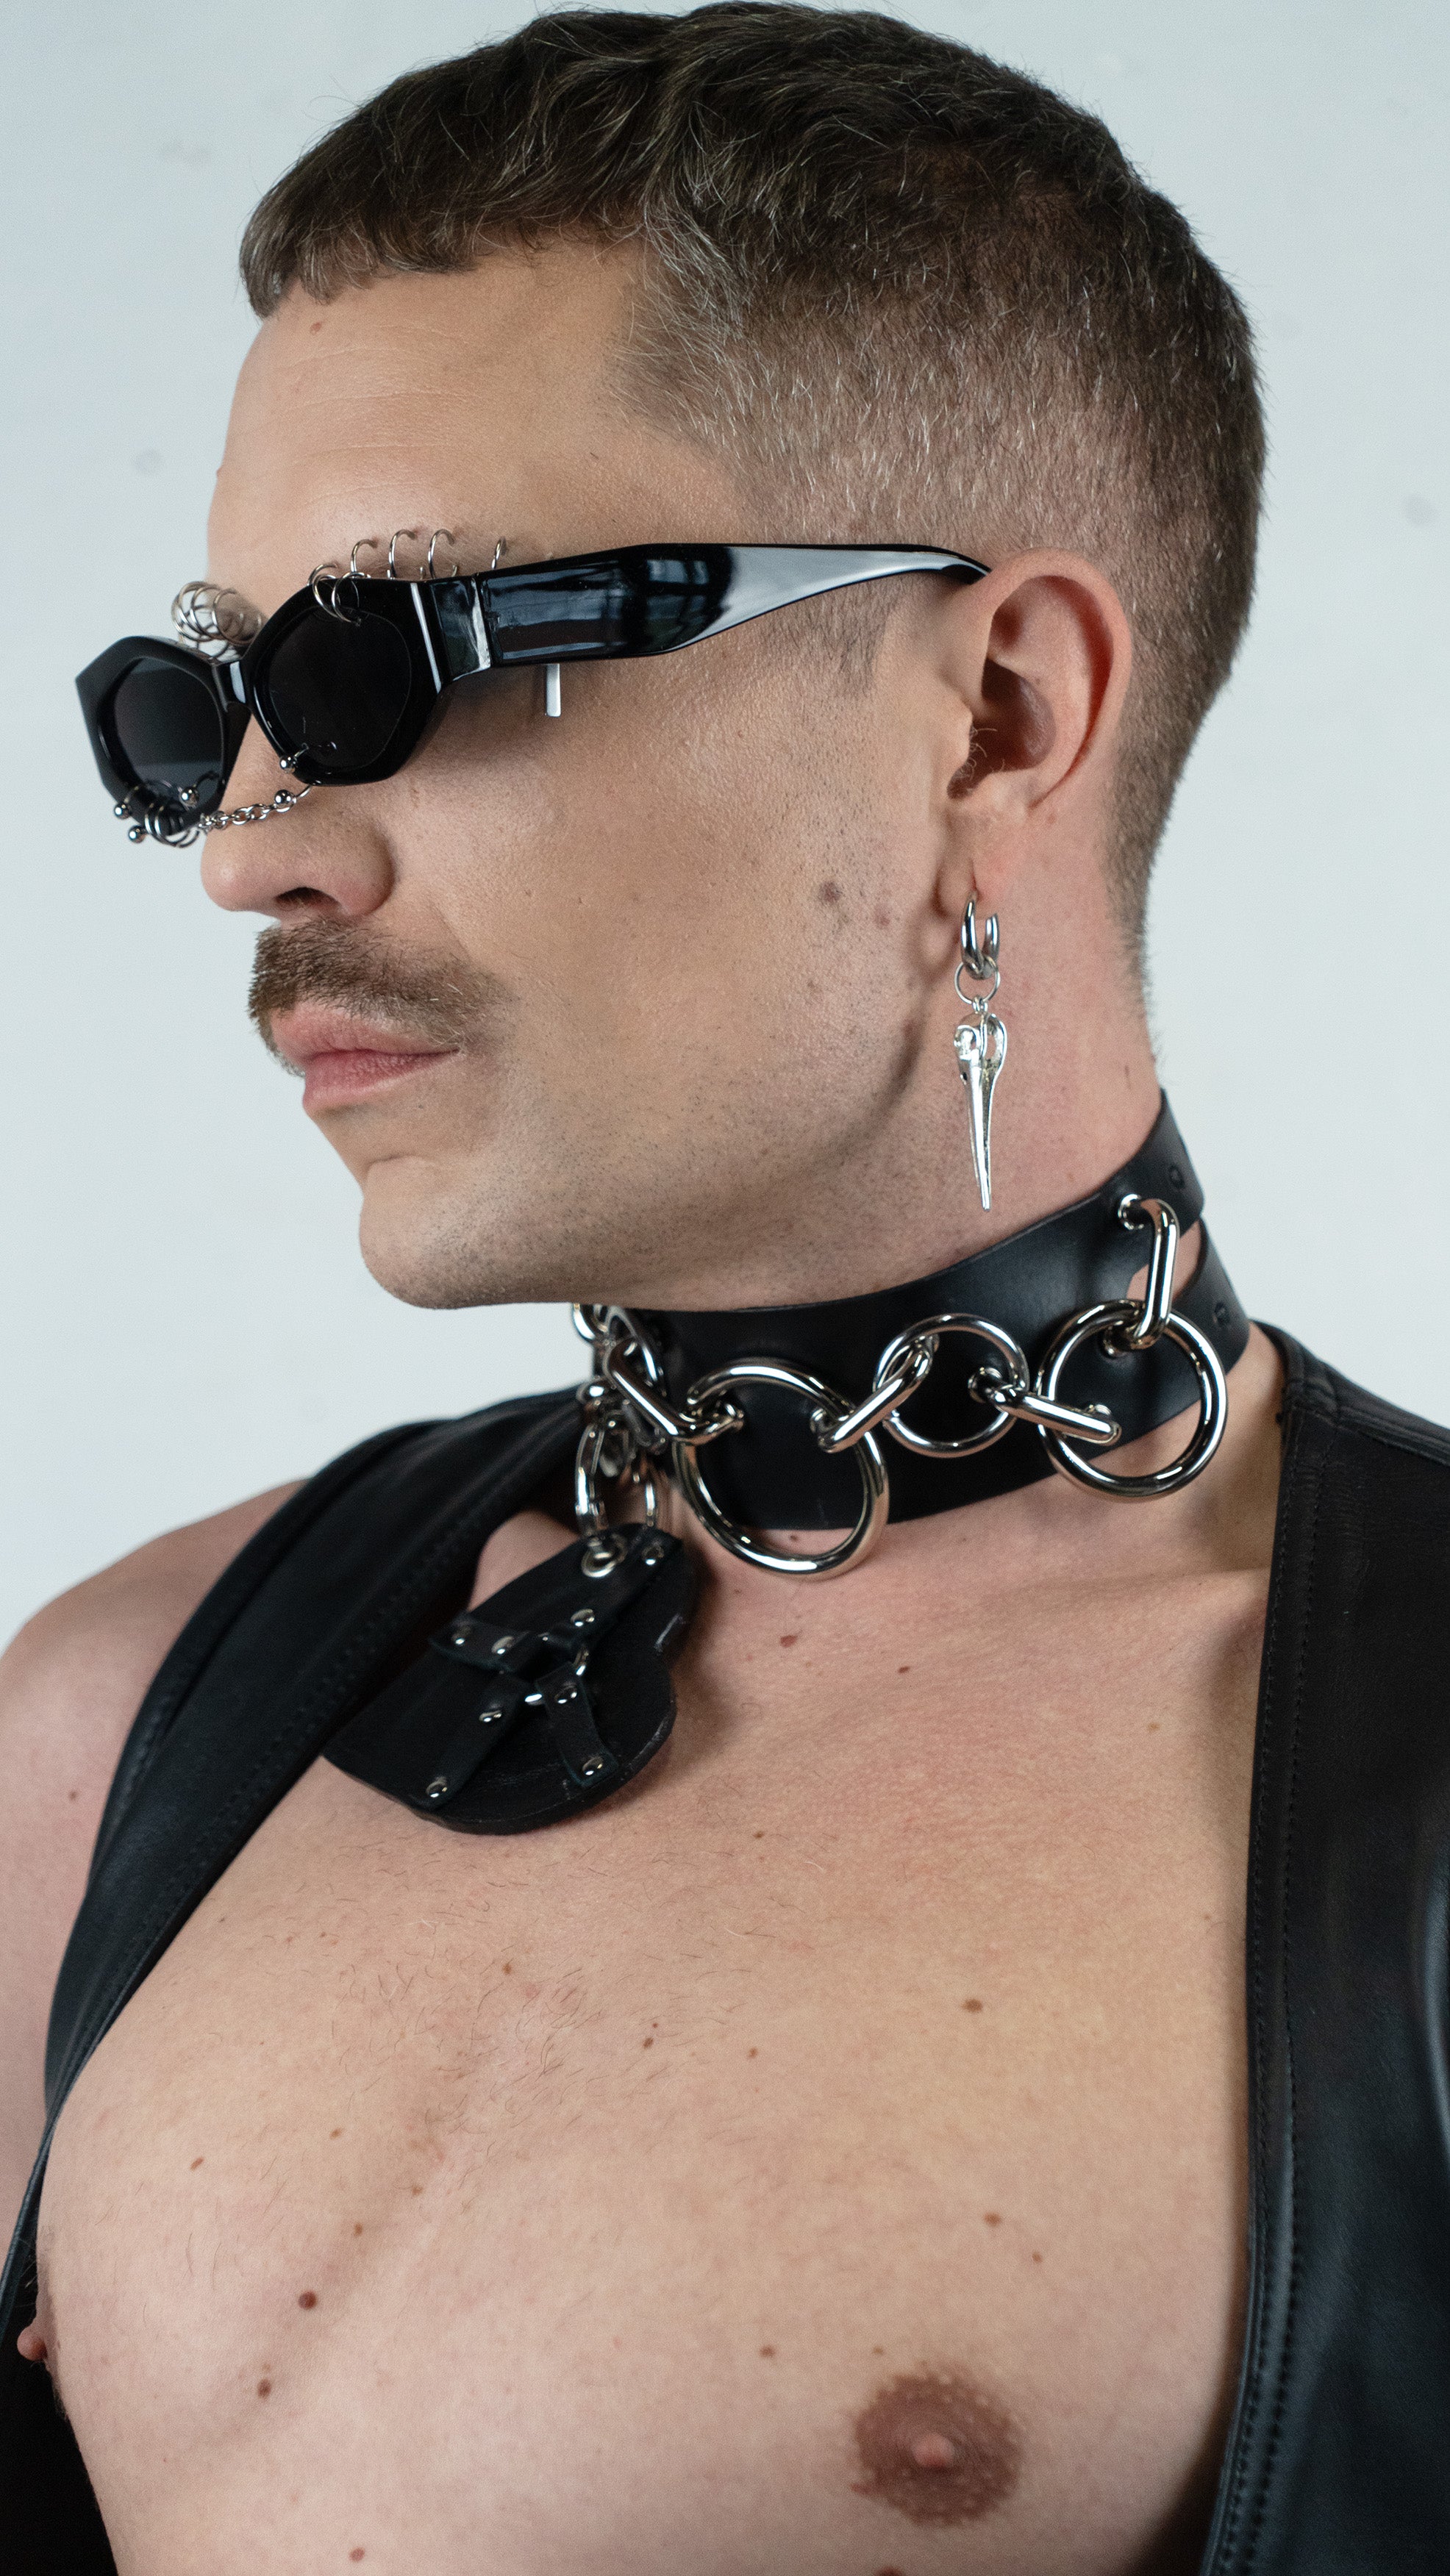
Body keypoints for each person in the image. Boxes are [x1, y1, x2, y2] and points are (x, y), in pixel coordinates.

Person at [4, 7, 1448, 2570]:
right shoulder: (110, 1727)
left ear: (994, 713)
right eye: (207, 703)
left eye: (402, 663)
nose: (248, 848)